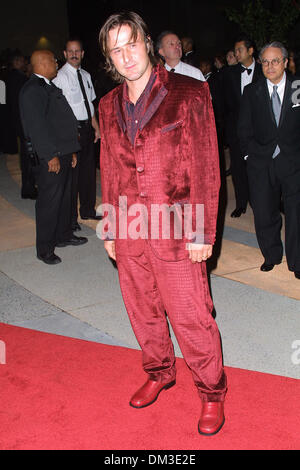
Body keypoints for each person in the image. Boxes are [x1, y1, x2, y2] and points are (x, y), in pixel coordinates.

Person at [98, 11, 227, 436]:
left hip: (178, 223)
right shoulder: (107, 104)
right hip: (132, 224)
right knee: (142, 309)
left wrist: (202, 233)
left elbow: (207, 162)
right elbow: (112, 171)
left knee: (191, 314)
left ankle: (211, 391)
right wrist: (112, 229)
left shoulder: (189, 92)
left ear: (147, 42)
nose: (125, 55)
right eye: (116, 50)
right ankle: (159, 370)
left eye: (130, 43)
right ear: (109, 58)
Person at [238, 41, 300, 280]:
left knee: (295, 213)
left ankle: (296, 261)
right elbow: (243, 128)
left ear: (285, 62)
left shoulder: (297, 87)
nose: (270, 66)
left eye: (275, 61)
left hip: (293, 162)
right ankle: (271, 255)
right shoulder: (252, 92)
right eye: (265, 61)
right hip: (261, 162)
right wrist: (248, 156)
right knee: (264, 212)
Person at [19, 50, 88, 265]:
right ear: (41, 63)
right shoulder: (32, 90)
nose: (55, 63)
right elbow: (37, 128)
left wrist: (72, 151)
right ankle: (45, 248)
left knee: (66, 198)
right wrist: (50, 156)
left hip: (64, 152)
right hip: (52, 156)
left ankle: (64, 235)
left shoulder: (48, 86)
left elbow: (61, 120)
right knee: (50, 202)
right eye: (52, 60)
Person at [53, 38, 102, 232]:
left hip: (87, 129)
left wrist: (96, 127)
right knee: (72, 177)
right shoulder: (60, 77)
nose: (74, 54)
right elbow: (59, 111)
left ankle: (88, 210)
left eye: (78, 51)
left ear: (82, 53)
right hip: (72, 131)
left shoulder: (86, 75)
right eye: (70, 51)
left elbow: (89, 105)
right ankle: (71, 220)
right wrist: (68, 134)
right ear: (64, 54)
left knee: (88, 172)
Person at [222, 35, 263, 217]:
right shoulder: (229, 73)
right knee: (238, 169)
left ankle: (258, 202)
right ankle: (241, 204)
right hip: (236, 132)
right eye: (235, 50)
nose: (236, 54)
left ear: (250, 51)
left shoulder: (264, 71)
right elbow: (224, 104)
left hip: (260, 132)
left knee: (257, 169)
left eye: (239, 50)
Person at [6, 52, 37, 198]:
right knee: (28, 158)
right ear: (17, 62)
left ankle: (29, 187)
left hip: (19, 124)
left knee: (26, 157)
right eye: (24, 61)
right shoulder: (20, 79)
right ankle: (29, 188)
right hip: (24, 125)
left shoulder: (12, 78)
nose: (26, 64)